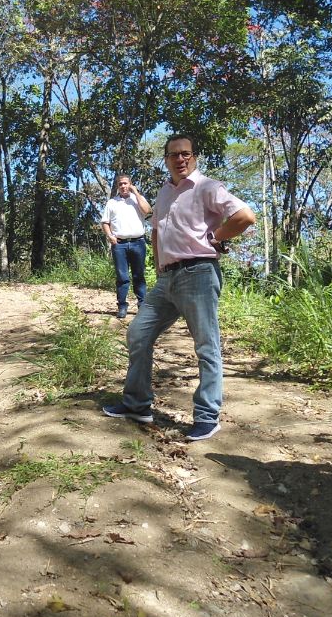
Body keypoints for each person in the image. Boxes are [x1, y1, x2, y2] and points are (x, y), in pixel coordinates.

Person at [102, 134, 256, 441]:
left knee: (206, 345)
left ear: (194, 157)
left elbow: (245, 216)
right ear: (166, 159)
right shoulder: (164, 193)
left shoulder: (207, 187)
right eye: (174, 154)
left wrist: (216, 238)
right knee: (138, 333)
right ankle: (137, 403)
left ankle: (207, 416)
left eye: (186, 153)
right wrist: (159, 267)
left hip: (198, 273)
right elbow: (157, 229)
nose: (180, 158)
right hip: (167, 279)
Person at [100, 175, 152, 319]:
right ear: (117, 186)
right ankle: (122, 306)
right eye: (120, 184)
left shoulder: (137, 199)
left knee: (139, 275)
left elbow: (147, 211)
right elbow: (105, 221)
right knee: (122, 277)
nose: (123, 186)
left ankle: (142, 306)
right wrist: (110, 236)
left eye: (125, 183)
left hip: (138, 243)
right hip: (119, 245)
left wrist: (136, 192)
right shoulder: (112, 202)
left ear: (130, 184)